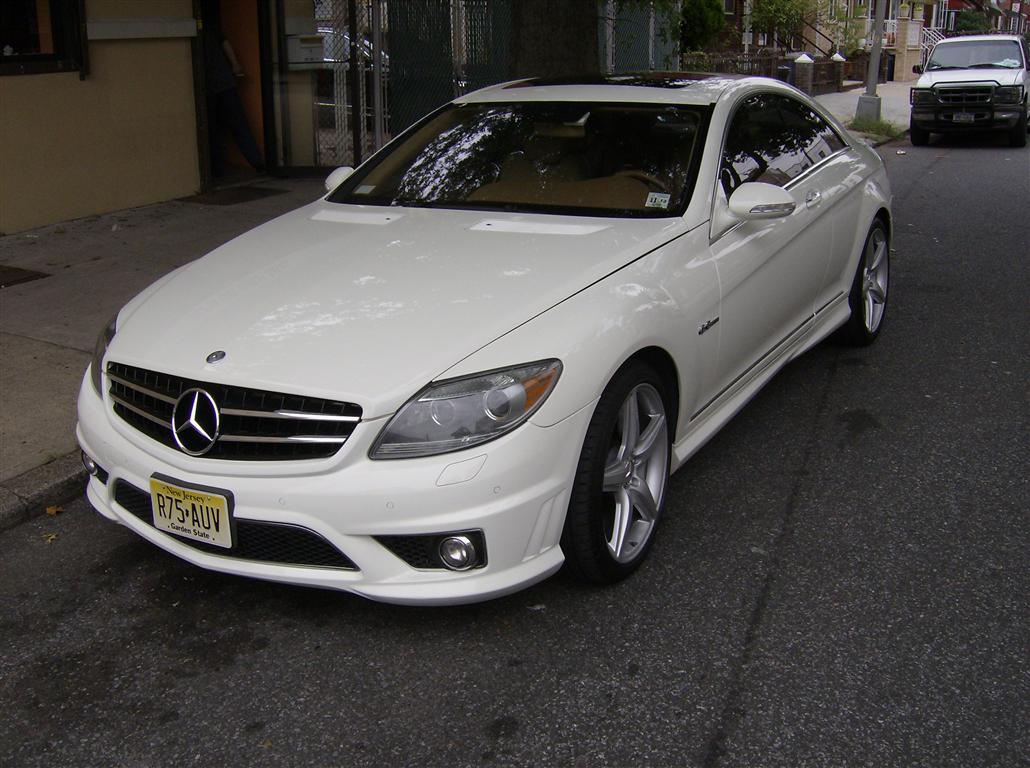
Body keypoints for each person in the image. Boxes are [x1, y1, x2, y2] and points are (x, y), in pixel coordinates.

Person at [202, 2, 264, 176]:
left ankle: (216, 168)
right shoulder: (212, 29)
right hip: (224, 81)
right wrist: (235, 65)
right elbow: (225, 44)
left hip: (209, 85)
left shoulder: (201, 30)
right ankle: (256, 162)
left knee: (211, 129)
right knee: (238, 124)